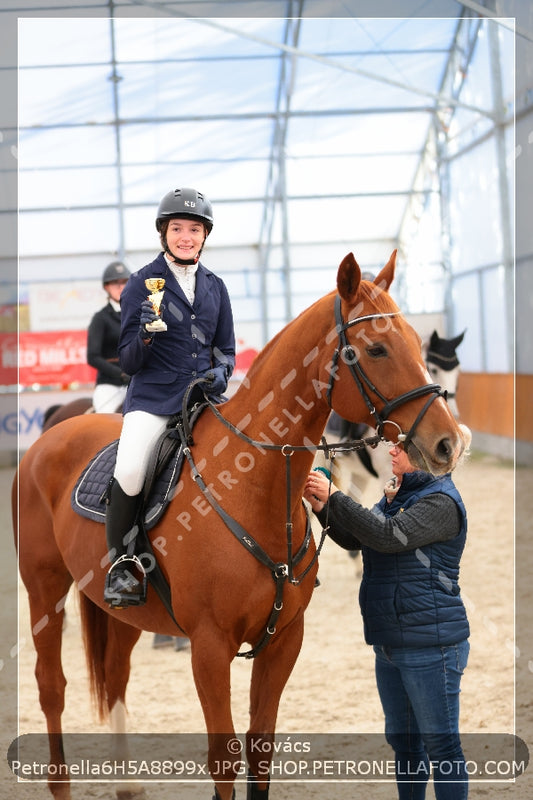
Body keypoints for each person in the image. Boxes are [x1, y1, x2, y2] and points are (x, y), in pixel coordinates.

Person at [304, 436, 471, 800]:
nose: (391, 451)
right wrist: (323, 508)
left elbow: (387, 536)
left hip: (432, 646)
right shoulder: (401, 494)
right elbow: (361, 538)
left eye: (402, 447)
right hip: (391, 642)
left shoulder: (440, 501)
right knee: (405, 745)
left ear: (424, 456)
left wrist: (336, 495)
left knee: (442, 749)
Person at [103, 187, 236, 610]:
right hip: (154, 399)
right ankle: (123, 566)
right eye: (177, 228)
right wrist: (143, 332)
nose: (185, 236)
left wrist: (221, 371)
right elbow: (128, 361)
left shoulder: (216, 287)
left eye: (193, 229)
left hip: (204, 399)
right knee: (129, 469)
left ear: (204, 236)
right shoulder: (141, 284)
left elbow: (226, 349)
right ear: (164, 233)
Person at [87, 261, 131, 413]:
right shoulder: (100, 318)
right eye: (115, 284)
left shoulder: (138, 314)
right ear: (106, 287)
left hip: (137, 382)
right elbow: (92, 357)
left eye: (124, 283)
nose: (120, 287)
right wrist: (120, 374)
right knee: (104, 420)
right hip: (111, 385)